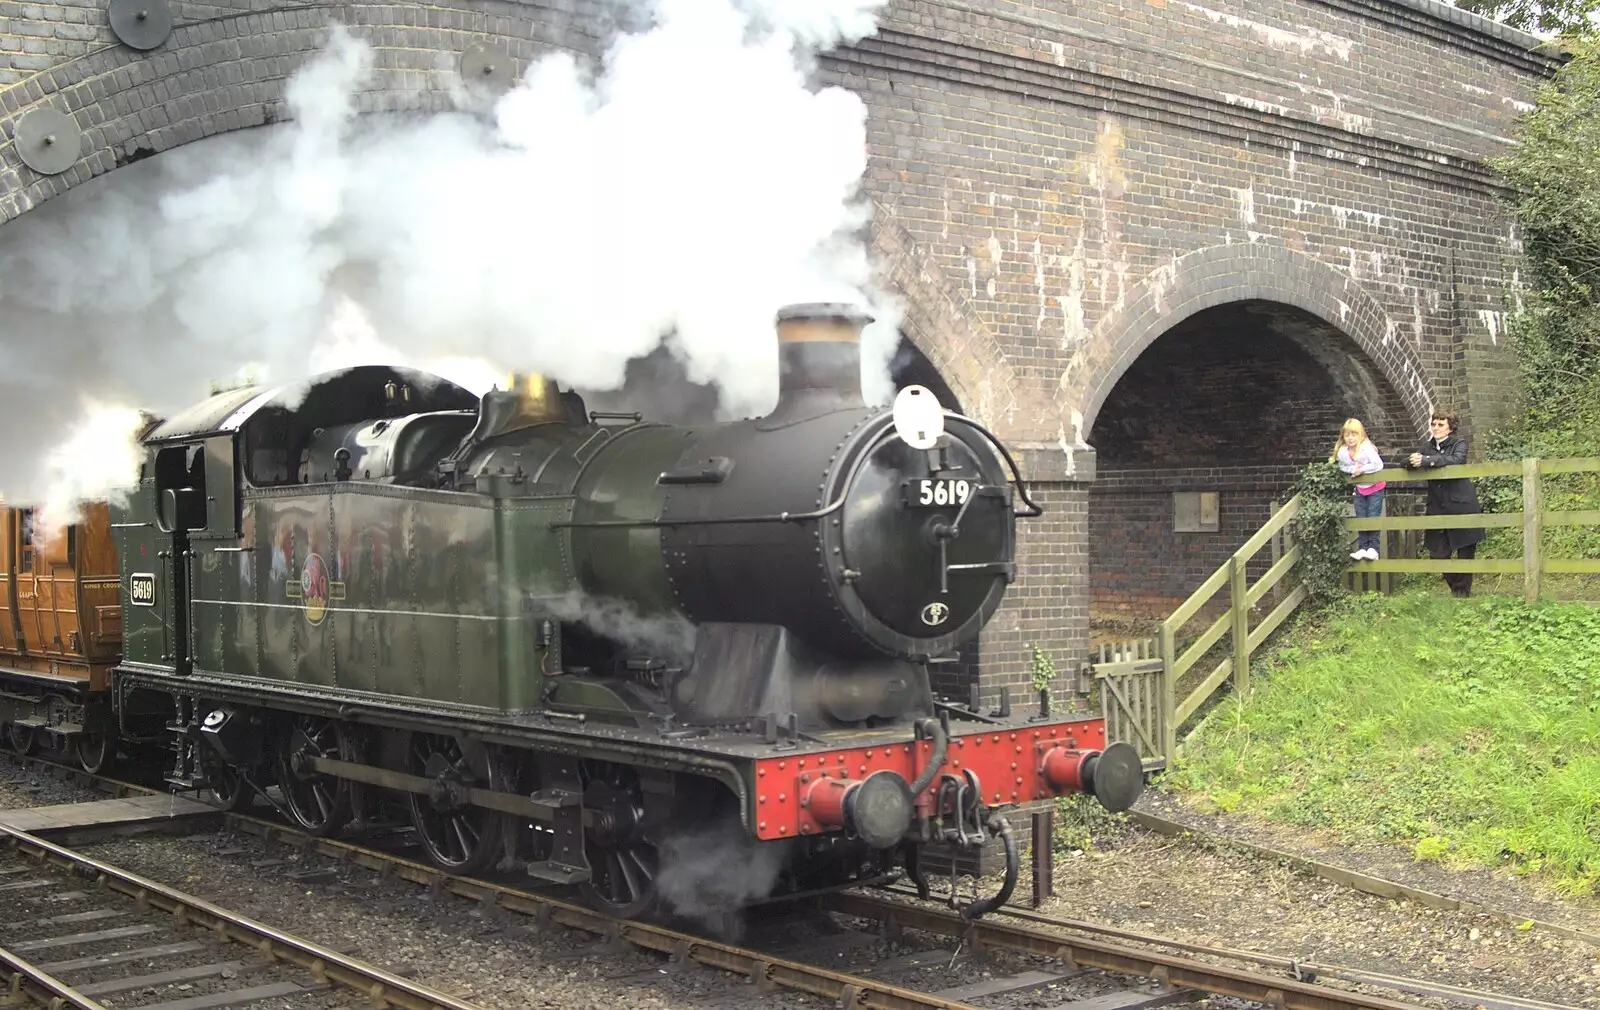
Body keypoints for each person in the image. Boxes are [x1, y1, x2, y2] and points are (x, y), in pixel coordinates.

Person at [1407, 408, 1485, 598]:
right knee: (1438, 553)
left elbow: (1456, 460)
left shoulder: (1460, 443)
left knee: (1466, 550)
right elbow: (1407, 461)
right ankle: (1457, 586)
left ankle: (1462, 592)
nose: (1435, 427)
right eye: (1433, 424)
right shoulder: (1427, 446)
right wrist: (1412, 461)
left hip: (1462, 504)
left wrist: (1426, 461)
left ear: (1450, 427)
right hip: (1437, 506)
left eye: (1440, 424)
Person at [1332, 419, 1386, 561]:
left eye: (1354, 435)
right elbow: (1342, 467)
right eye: (1347, 435)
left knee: (1372, 516)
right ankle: (1363, 548)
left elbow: (1378, 464)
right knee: (1361, 517)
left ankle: (1373, 549)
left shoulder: (1366, 447)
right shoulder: (1343, 451)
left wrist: (1362, 469)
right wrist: (1352, 470)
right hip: (1360, 489)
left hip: (1375, 487)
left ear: (1360, 434)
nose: (1350, 438)